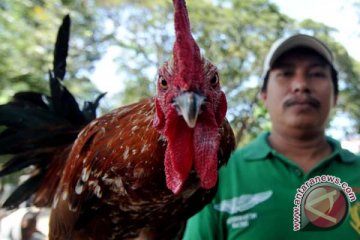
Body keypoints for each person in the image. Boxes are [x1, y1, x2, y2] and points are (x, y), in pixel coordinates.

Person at [183, 34, 360, 239]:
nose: (300, 85)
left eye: (316, 74)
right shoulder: (219, 176)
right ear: (264, 95)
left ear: (335, 96)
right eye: (286, 73)